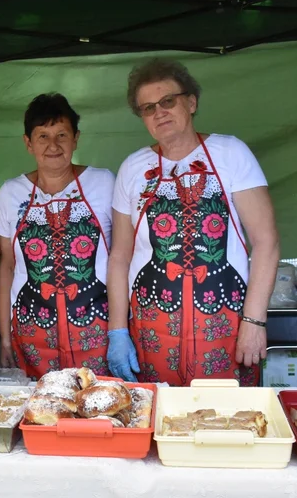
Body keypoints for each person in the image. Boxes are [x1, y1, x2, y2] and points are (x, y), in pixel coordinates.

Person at [107, 59, 279, 386]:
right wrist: (117, 330)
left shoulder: (230, 153)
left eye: (168, 101)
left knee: (227, 413)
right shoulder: (132, 168)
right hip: (151, 328)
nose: (159, 112)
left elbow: (266, 242)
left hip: (226, 324)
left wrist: (254, 321)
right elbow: (119, 256)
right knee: (158, 412)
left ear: (191, 102)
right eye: (148, 108)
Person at [0, 94, 115, 379]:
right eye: (43, 136)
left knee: (96, 401)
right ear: (28, 143)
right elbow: (7, 266)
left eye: (62, 134)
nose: (53, 145)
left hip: (97, 332)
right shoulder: (10, 193)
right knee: (39, 403)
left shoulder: (103, 182)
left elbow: (124, 256)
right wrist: (5, 337)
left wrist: (121, 330)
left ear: (76, 139)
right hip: (31, 334)